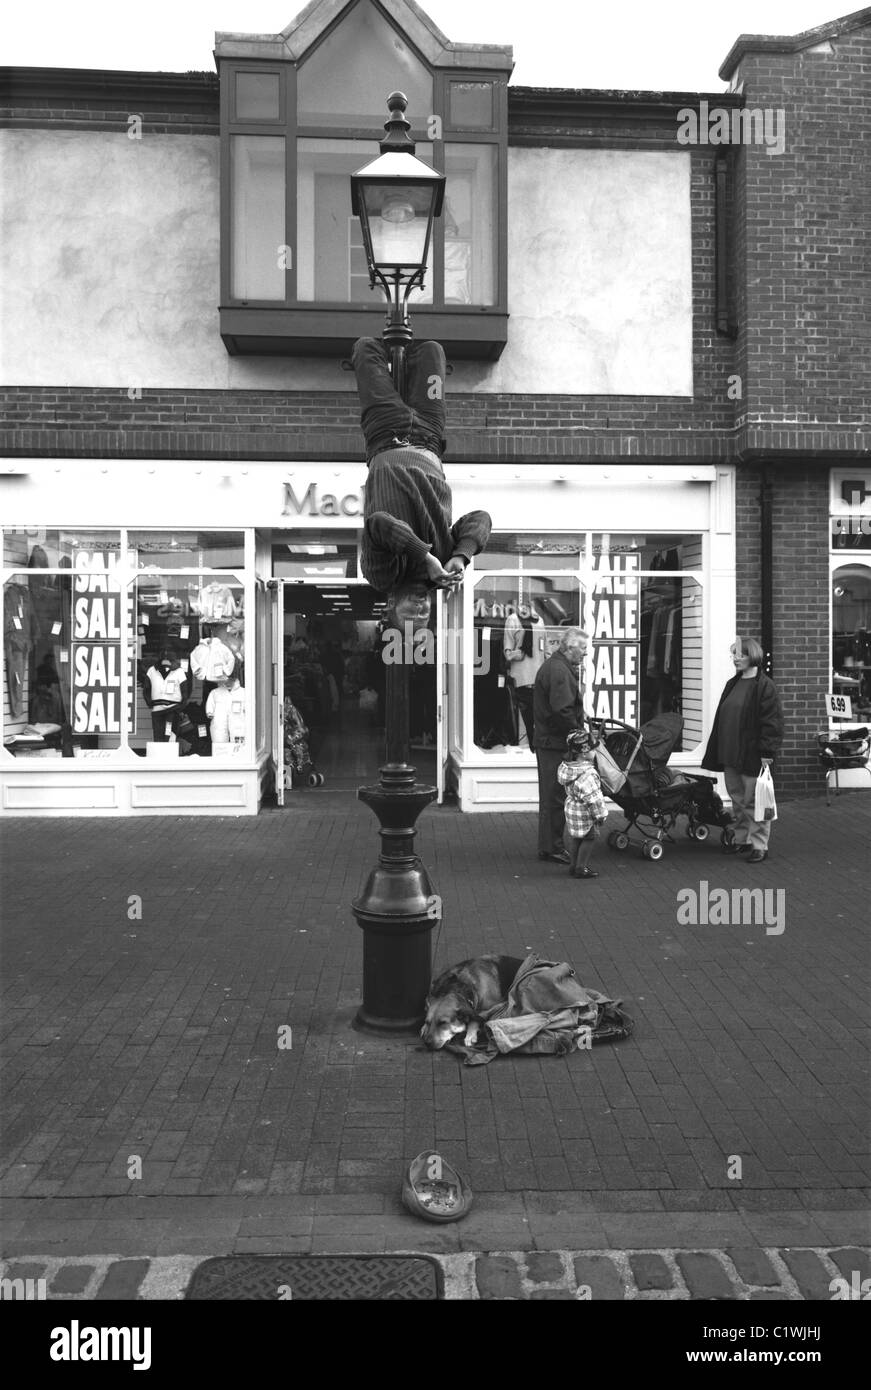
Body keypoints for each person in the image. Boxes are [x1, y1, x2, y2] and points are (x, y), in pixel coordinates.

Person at [353, 336, 491, 630]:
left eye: (408, 614)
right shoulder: (443, 570)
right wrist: (460, 556)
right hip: (429, 436)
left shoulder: (382, 576)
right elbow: (480, 519)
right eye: (423, 615)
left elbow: (378, 525)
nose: (419, 608)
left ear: (391, 605)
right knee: (432, 351)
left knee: (366, 349)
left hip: (385, 432)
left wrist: (425, 556)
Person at [702, 636, 784, 863]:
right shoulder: (733, 683)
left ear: (753, 656)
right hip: (730, 752)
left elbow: (772, 722)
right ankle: (742, 840)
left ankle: (760, 845)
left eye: (741, 654)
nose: (736, 659)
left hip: (752, 754)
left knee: (755, 801)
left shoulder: (764, 686)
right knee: (737, 799)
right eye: (734, 654)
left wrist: (767, 752)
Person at [533, 627, 589, 863]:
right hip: (553, 743)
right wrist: (580, 736)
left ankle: (550, 845)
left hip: (550, 741)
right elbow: (562, 710)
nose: (585, 654)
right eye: (583, 648)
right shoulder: (559, 670)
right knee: (554, 797)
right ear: (569, 647)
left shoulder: (557, 666)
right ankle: (552, 848)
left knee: (551, 796)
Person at [558, 728, 609, 878]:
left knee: (576, 837)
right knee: (589, 838)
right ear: (585, 753)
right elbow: (594, 799)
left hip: (572, 807)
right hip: (584, 810)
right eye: (594, 750)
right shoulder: (588, 774)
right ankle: (581, 868)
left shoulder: (568, 769)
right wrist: (601, 815)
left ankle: (573, 866)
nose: (595, 753)